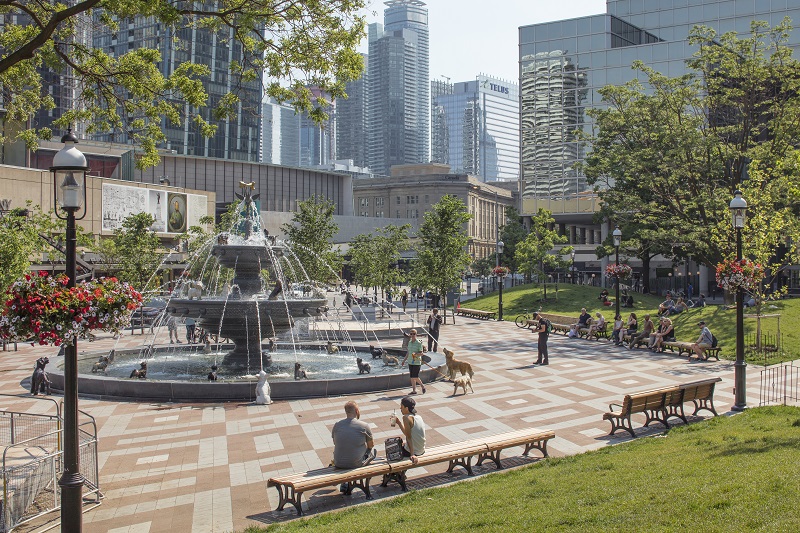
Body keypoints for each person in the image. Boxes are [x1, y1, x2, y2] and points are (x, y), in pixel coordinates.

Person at [331, 400, 377, 493]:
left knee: (346, 447)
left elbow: (335, 442)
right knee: (370, 453)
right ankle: (355, 484)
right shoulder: (364, 426)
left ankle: (345, 482)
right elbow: (371, 445)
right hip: (355, 464)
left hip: (339, 462)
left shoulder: (337, 425)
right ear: (357, 411)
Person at [391, 396, 426, 465]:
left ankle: (398, 474)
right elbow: (408, 434)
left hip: (414, 452)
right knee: (403, 444)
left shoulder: (406, 417)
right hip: (421, 449)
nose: (400, 408)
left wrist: (412, 454)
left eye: (401, 406)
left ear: (406, 408)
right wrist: (399, 423)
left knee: (392, 450)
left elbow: (408, 437)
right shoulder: (418, 417)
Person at [401, 329, 426, 394]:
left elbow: (421, 353)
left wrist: (416, 354)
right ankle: (414, 390)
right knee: (412, 377)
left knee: (415, 376)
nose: (412, 335)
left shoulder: (418, 343)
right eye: (411, 334)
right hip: (410, 361)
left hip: (416, 362)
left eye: (413, 334)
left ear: (416, 334)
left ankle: (422, 386)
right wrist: (404, 360)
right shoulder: (409, 342)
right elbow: (408, 353)